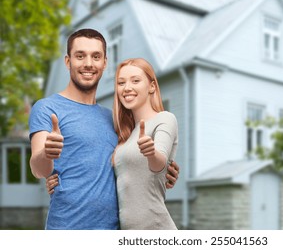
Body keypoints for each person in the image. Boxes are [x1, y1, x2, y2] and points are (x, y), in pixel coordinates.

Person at [29, 28, 179, 230]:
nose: (88, 63)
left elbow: (131, 162)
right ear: (68, 62)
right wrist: (47, 153)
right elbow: (39, 169)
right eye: (80, 56)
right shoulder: (47, 108)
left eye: (96, 56)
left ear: (104, 63)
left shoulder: (114, 119)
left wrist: (165, 170)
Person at [112, 58, 178, 229]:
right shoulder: (126, 136)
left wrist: (151, 153)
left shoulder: (164, 119)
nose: (127, 88)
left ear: (152, 86)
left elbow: (160, 163)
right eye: (121, 82)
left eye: (135, 80)